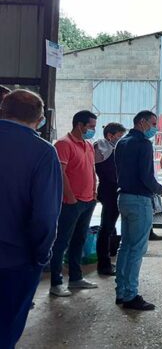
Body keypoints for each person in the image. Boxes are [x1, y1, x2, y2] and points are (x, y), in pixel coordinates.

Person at [0, 90, 62, 347]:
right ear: (40, 118)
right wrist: (41, 255)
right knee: (5, 328)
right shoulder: (42, 153)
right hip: (16, 260)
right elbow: (45, 217)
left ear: (3, 109)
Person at [114, 110, 162, 311]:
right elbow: (147, 177)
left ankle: (121, 291)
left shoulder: (122, 142)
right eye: (153, 123)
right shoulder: (144, 145)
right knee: (137, 249)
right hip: (139, 200)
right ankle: (130, 295)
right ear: (142, 122)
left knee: (126, 246)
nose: (155, 128)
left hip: (124, 197)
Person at [49, 110, 99, 296]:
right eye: (91, 127)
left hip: (88, 201)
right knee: (61, 242)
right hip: (71, 202)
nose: (93, 130)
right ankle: (56, 283)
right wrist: (70, 197)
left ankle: (76, 278)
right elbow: (60, 173)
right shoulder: (63, 144)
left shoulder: (88, 145)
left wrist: (94, 192)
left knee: (79, 240)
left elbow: (91, 170)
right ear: (80, 125)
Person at [94, 122, 127, 276]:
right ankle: (104, 264)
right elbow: (107, 174)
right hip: (108, 191)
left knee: (110, 227)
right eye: (119, 136)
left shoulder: (113, 149)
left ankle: (109, 257)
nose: (121, 139)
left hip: (114, 190)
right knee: (106, 228)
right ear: (110, 136)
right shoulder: (101, 149)